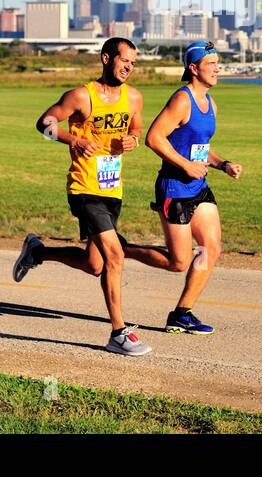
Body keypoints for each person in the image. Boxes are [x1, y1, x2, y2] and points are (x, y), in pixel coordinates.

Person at [12, 37, 169, 356]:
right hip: (84, 187)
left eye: (134, 63)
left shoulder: (134, 98)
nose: (129, 67)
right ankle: (119, 332)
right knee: (115, 255)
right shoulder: (80, 96)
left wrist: (132, 142)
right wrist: (74, 139)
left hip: (112, 188)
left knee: (94, 264)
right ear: (106, 58)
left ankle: (38, 252)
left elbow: (136, 130)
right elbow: (43, 124)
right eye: (125, 60)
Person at [144, 40, 242, 335]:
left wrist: (223, 164)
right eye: (211, 64)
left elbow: (200, 149)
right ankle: (121, 250)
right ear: (193, 68)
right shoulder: (182, 100)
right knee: (179, 261)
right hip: (174, 189)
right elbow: (154, 138)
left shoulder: (210, 103)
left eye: (218, 63)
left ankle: (182, 313)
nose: (217, 69)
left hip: (199, 188)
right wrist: (185, 166)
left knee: (211, 248)